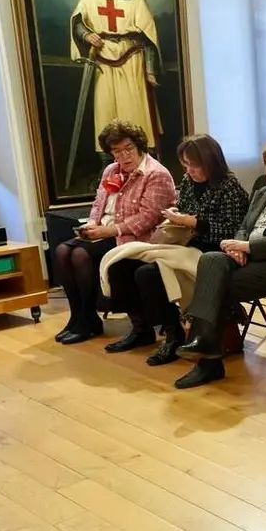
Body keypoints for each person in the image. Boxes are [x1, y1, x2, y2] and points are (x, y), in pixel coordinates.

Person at [174, 138, 266, 388]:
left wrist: (247, 247)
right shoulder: (263, 192)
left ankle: (207, 357)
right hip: (253, 259)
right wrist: (238, 247)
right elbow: (244, 226)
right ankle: (206, 346)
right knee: (210, 259)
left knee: (218, 285)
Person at [102, 134, 249, 363]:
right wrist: (175, 216)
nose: (189, 171)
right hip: (184, 243)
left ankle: (174, 336)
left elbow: (235, 231)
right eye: (185, 165)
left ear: (210, 162)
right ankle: (141, 328)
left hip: (212, 251)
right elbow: (183, 210)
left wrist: (193, 223)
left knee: (148, 274)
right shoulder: (189, 181)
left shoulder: (229, 186)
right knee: (121, 265)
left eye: (194, 165)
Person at [54, 119, 175, 345]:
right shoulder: (111, 170)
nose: (124, 156)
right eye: (117, 152)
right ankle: (80, 316)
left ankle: (88, 320)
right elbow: (98, 203)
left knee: (80, 255)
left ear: (139, 145)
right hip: (105, 231)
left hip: (134, 238)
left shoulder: (156, 174)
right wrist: (92, 223)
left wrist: (108, 231)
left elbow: (147, 218)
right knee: (62, 251)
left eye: (128, 149)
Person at [70, 0, 161, 153]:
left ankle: (142, 157)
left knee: (135, 112)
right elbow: (77, 21)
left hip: (132, 60)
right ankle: (107, 162)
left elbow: (148, 36)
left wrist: (150, 70)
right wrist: (87, 35)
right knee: (105, 112)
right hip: (102, 59)